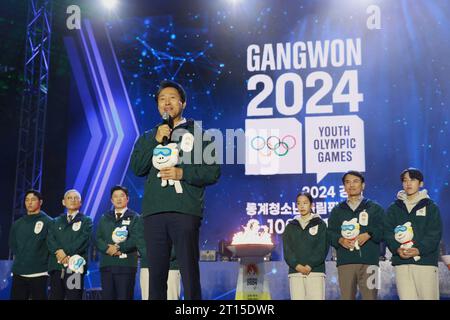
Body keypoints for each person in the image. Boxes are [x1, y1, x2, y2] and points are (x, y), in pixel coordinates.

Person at [130, 80, 220, 300]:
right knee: (156, 274)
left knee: (188, 271)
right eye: (162, 99)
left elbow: (212, 172)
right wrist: (155, 140)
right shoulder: (149, 136)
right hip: (154, 213)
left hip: (185, 211)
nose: (166, 102)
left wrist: (183, 174)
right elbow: (137, 168)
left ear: (183, 103)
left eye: (171, 98)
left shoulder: (200, 134)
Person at [384, 168, 442, 300]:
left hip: (425, 262)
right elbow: (387, 232)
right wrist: (396, 248)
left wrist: (419, 250)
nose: (408, 183)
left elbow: (434, 233)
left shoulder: (431, 207)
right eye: (405, 180)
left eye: (413, 180)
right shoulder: (394, 208)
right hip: (402, 263)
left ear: (421, 183)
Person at [327, 171, 384, 300]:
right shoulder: (337, 210)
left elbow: (384, 231)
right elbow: (329, 233)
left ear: (363, 185)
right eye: (347, 182)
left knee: (371, 297)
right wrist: (340, 240)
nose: (351, 185)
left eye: (355, 181)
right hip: (345, 262)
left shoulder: (375, 208)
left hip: (370, 263)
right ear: (344, 187)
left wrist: (369, 234)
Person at [95, 185, 140, 300]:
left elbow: (136, 238)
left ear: (127, 199)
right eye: (115, 196)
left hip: (126, 265)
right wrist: (107, 248)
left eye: (122, 196)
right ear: (111, 200)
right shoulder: (105, 217)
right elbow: (98, 238)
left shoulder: (135, 217)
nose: (119, 199)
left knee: (124, 297)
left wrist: (118, 248)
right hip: (107, 265)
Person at [47, 189, 93, 300]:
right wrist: (59, 251)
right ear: (63, 202)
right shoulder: (55, 221)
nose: (73, 200)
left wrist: (65, 252)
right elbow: (50, 240)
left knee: (74, 297)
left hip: (75, 267)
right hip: (56, 267)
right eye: (69, 198)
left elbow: (84, 240)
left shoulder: (86, 221)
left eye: (76, 198)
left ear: (80, 202)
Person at [282, 192, 329, 300]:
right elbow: (287, 249)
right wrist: (297, 265)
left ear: (311, 205)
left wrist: (310, 265)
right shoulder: (290, 226)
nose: (302, 206)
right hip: (295, 272)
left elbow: (322, 248)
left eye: (305, 203)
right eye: (299, 203)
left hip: (315, 271)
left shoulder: (320, 224)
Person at [9, 190, 53, 300]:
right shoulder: (17, 224)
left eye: (33, 200)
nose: (29, 203)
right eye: (27, 200)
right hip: (19, 272)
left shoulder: (49, 222)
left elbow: (52, 245)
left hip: (39, 272)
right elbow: (12, 244)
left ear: (40, 202)